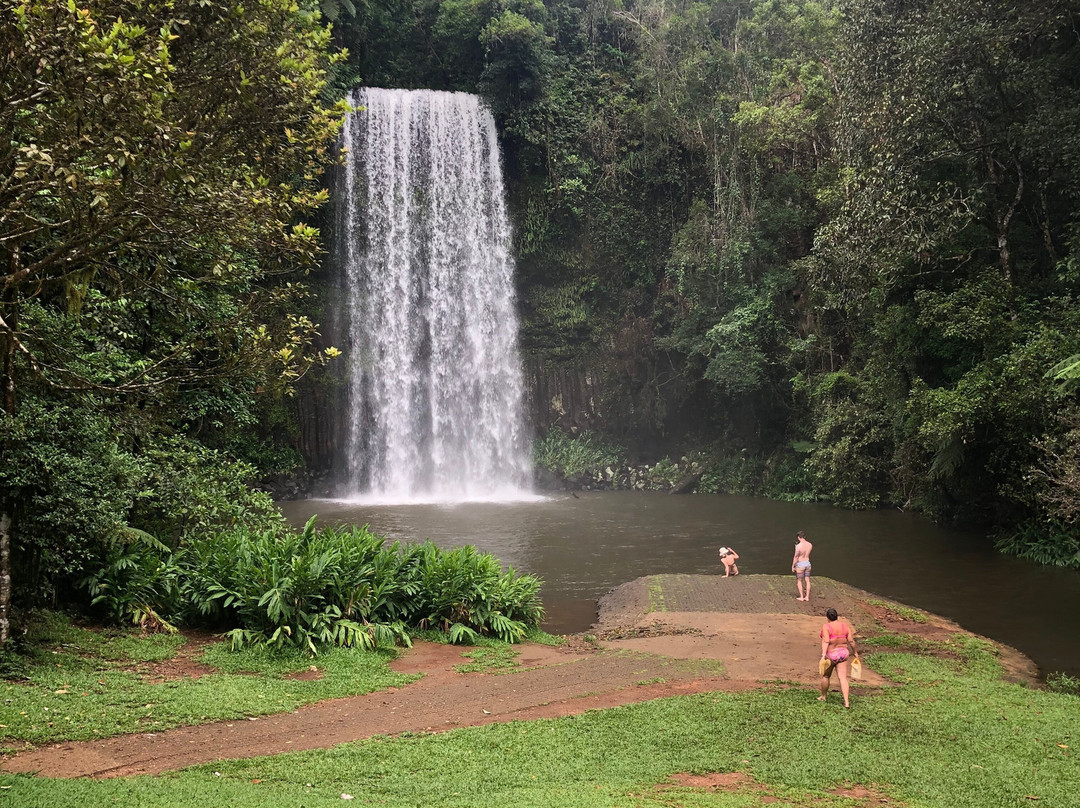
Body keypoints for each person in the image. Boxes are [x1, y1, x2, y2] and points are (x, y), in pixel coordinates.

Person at [819, 607, 857, 708]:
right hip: (844, 653)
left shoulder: (826, 626)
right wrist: (855, 652)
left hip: (831, 654)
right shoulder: (845, 626)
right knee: (843, 678)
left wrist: (823, 655)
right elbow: (851, 641)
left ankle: (823, 696)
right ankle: (846, 702)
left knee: (826, 676)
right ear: (837, 617)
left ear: (827, 618)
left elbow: (826, 641)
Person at [791, 530, 812, 601]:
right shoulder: (810, 544)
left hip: (800, 564)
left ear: (798, 537)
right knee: (807, 580)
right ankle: (807, 597)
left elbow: (796, 557)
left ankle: (802, 597)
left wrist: (793, 566)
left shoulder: (798, 546)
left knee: (799, 581)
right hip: (807, 563)